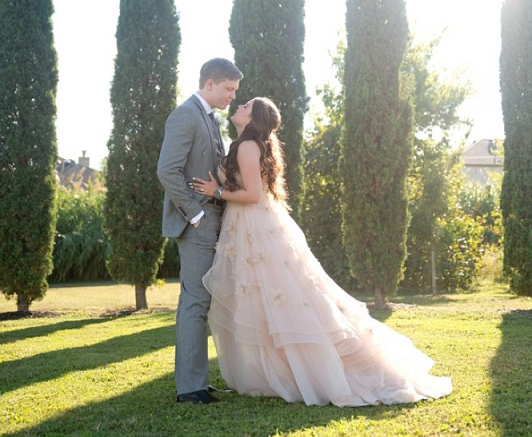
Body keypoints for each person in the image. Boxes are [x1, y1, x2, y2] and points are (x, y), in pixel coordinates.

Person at [190, 97, 452, 407]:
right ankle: (269, 371)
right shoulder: (248, 145)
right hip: (250, 227)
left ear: (254, 117)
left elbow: (252, 194)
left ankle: (298, 370)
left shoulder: (248, 147)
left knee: (278, 298)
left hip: (254, 230)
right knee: (265, 299)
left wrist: (215, 191)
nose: (240, 106)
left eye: (246, 105)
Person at [157, 58, 243, 404]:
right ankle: (189, 388)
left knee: (202, 301)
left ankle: (197, 381)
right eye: (228, 89)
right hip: (197, 224)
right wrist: (195, 216)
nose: (232, 97)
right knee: (194, 301)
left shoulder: (208, 117)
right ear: (210, 84)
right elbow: (167, 171)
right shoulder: (185, 115)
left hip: (212, 219)